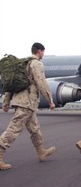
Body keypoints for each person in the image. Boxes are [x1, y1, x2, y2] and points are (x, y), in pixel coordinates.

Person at [0, 42, 56, 171]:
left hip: (24, 102)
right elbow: (41, 83)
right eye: (43, 52)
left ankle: (41, 151)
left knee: (35, 129)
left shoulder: (22, 64)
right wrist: (50, 101)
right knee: (14, 129)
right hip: (27, 102)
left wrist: (6, 101)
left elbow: (10, 85)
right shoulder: (36, 64)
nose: (43, 54)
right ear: (40, 51)